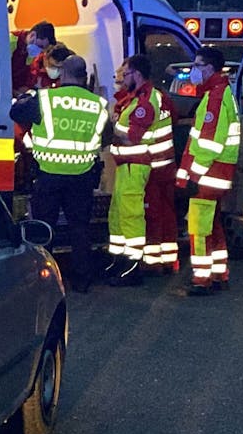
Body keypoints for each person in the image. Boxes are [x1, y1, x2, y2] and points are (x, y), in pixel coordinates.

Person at [11, 54, 110, 293]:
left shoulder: (44, 99)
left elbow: (16, 114)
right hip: (82, 177)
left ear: (63, 73)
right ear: (83, 76)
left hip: (48, 175)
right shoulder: (99, 104)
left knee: (45, 229)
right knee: (80, 229)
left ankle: (46, 282)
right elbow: (106, 139)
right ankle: (81, 281)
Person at [175, 46, 239, 294]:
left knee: (199, 229)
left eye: (197, 65)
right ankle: (219, 273)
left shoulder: (215, 97)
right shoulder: (220, 93)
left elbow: (210, 143)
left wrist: (194, 175)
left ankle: (202, 280)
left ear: (210, 68)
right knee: (213, 226)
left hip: (208, 175)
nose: (194, 71)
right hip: (217, 174)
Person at [107, 54, 175, 283]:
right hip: (125, 167)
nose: (123, 79)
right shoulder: (133, 99)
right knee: (117, 215)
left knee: (132, 216)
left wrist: (108, 130)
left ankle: (133, 267)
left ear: (137, 74)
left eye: (126, 74)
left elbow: (133, 138)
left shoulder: (144, 103)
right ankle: (119, 260)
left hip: (136, 166)